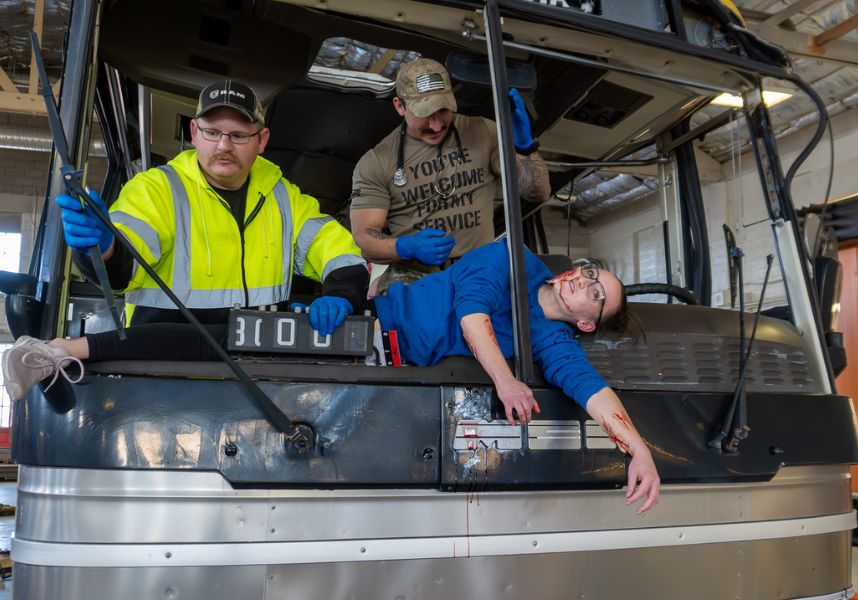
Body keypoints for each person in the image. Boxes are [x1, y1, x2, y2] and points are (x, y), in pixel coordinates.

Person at [2, 79, 368, 401]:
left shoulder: (284, 198)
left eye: (239, 135)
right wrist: (103, 248)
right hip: (165, 380)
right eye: (212, 132)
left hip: (256, 380)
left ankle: (63, 351)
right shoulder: (158, 190)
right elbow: (128, 251)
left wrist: (340, 291)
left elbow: (333, 246)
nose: (224, 145)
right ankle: (59, 351)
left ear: (262, 140)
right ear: (194, 132)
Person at [372, 240, 660, 513]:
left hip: (409, 374)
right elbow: (472, 314)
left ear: (585, 324)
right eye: (590, 273)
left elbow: (591, 388)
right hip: (376, 330)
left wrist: (639, 451)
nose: (584, 281)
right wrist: (506, 381)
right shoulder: (510, 258)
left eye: (596, 294)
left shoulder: (554, 339)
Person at [350, 58, 550, 291]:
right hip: (416, 277)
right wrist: (405, 247)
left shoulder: (483, 131)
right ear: (400, 106)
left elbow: (537, 193)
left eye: (443, 110)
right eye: (425, 113)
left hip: (478, 271)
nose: (435, 126)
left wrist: (525, 149)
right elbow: (365, 239)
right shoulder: (376, 162)